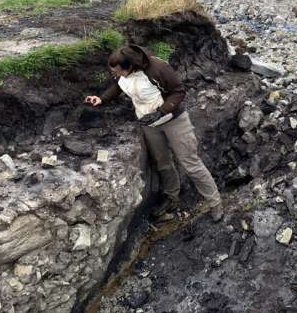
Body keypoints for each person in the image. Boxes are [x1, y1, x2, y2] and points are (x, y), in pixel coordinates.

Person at [85, 44, 223, 222]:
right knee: (163, 163)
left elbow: (178, 91)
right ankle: (172, 197)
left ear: (131, 66)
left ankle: (215, 202)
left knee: (190, 163)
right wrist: (101, 98)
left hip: (174, 120)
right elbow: (118, 85)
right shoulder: (122, 73)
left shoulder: (157, 68)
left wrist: (161, 112)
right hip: (148, 123)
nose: (117, 74)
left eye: (119, 71)